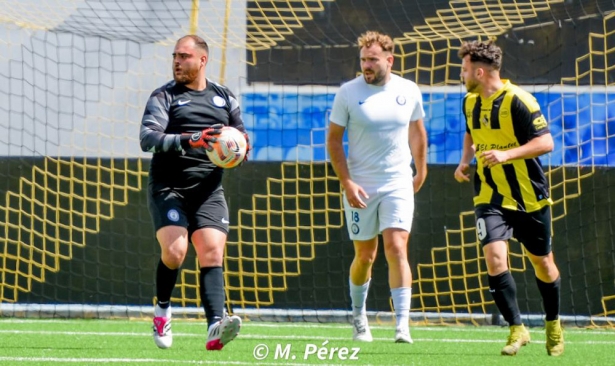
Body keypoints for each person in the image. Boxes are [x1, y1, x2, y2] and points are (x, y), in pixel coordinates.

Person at [454, 40, 564, 356]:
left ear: (478, 71)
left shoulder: (520, 101)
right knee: (494, 259)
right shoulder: (470, 102)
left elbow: (546, 143)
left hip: (530, 196)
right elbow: (471, 131)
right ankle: (517, 329)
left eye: (463, 70)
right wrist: (465, 160)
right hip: (489, 195)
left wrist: (507, 155)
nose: (461, 76)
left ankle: (553, 323)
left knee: (543, 264)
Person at [139, 34, 249, 351]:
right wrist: (192, 138)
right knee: (175, 253)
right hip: (169, 186)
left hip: (208, 188)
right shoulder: (165, 96)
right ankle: (162, 308)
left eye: (184, 56)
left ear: (202, 60)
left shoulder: (225, 98)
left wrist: (241, 149)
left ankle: (215, 325)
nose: (177, 61)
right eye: (175, 55)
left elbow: (239, 135)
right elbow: (148, 138)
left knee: (212, 251)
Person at [326, 31, 427, 343]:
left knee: (397, 247)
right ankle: (359, 317)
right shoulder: (347, 92)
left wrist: (420, 172)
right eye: (363, 60)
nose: (366, 65)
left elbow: (417, 133)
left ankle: (402, 326)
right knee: (366, 256)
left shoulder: (409, 90)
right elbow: (333, 140)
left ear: (389, 60)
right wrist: (347, 183)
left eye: (372, 59)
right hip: (361, 187)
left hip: (397, 182)